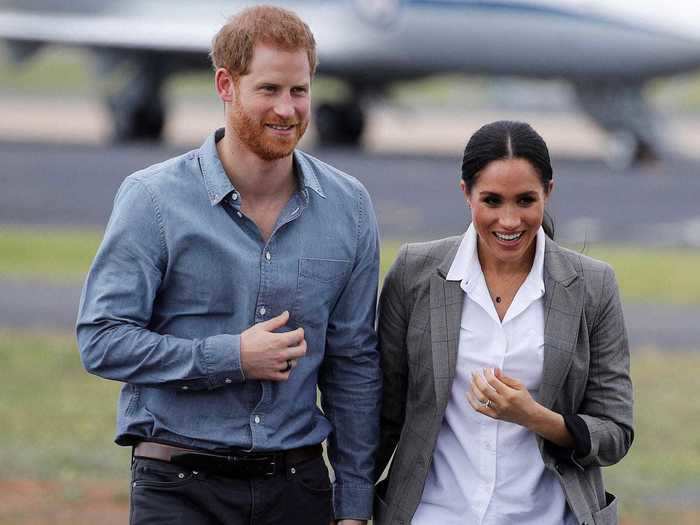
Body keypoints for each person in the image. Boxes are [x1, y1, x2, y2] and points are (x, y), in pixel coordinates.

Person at [76, 6, 380, 525]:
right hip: (179, 487)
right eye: (269, 90)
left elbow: (353, 364)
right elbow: (101, 340)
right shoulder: (153, 199)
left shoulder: (349, 208)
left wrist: (353, 505)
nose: (287, 110)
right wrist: (231, 357)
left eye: (299, 91)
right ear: (226, 84)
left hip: (298, 488)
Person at [374, 120, 633, 525]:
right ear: (466, 193)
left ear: (548, 192)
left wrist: (534, 416)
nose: (509, 221)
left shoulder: (593, 286)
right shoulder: (414, 273)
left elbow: (615, 433)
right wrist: (348, 508)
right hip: (432, 515)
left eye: (525, 200)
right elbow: (381, 416)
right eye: (492, 201)